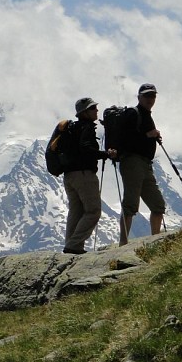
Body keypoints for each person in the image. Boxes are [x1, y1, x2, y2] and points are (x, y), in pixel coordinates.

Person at [62, 97, 117, 254]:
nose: (96, 110)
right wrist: (105, 154)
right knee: (93, 211)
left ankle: (71, 247)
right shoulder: (87, 128)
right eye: (92, 108)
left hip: (69, 176)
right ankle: (74, 245)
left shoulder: (72, 129)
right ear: (84, 113)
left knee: (76, 211)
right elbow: (86, 149)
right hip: (84, 175)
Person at [117, 83, 166, 245]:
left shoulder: (145, 115)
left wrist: (149, 136)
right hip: (132, 161)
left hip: (145, 164)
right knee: (130, 204)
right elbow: (125, 139)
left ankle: (155, 241)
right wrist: (148, 135)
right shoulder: (133, 113)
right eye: (147, 96)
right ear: (139, 97)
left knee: (158, 205)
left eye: (153, 96)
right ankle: (123, 243)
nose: (150, 99)